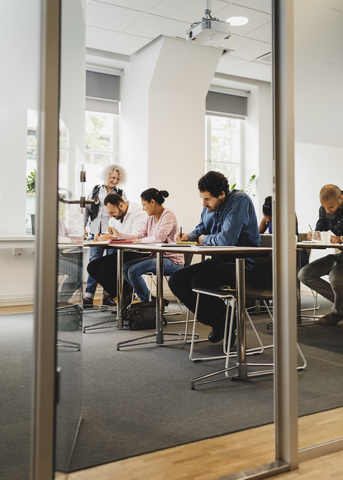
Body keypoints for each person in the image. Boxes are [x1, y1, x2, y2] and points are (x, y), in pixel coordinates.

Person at [168, 170, 260, 344]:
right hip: (219, 260)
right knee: (176, 279)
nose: (204, 204)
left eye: (207, 199)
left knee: (198, 282)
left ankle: (222, 321)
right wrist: (189, 236)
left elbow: (226, 240)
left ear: (222, 194)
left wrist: (204, 239)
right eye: (202, 198)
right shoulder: (209, 207)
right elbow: (201, 228)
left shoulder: (239, 201)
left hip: (242, 264)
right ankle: (222, 320)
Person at [110, 188, 184, 305]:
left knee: (133, 271)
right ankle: (151, 301)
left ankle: (147, 304)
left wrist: (139, 241)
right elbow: (140, 235)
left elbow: (159, 238)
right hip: (157, 257)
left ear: (152, 202)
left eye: (144, 205)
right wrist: (118, 235)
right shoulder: (150, 218)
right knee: (125, 267)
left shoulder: (168, 215)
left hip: (172, 260)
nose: (143, 208)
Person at [87, 193, 148, 310]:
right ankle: (124, 294)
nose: (110, 216)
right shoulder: (115, 217)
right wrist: (102, 236)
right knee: (93, 267)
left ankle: (125, 295)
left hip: (138, 252)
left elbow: (137, 237)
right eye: (108, 213)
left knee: (106, 267)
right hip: (122, 252)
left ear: (121, 205)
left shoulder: (138, 211)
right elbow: (111, 232)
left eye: (112, 212)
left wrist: (114, 237)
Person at [298, 184, 343, 325]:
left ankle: (338, 312)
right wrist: (314, 235)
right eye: (324, 207)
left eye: (330, 207)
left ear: (341, 198)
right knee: (305, 273)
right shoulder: (324, 209)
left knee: (336, 276)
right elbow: (321, 229)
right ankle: (341, 307)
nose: (327, 211)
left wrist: (340, 238)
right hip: (341, 255)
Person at [83, 164, 127, 308]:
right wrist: (83, 227)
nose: (115, 181)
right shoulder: (96, 190)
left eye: (117, 179)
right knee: (94, 262)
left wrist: (119, 233)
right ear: (106, 176)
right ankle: (89, 296)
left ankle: (108, 295)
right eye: (113, 177)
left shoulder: (121, 192)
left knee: (110, 265)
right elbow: (87, 210)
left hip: (112, 234)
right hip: (96, 232)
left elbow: (124, 213)